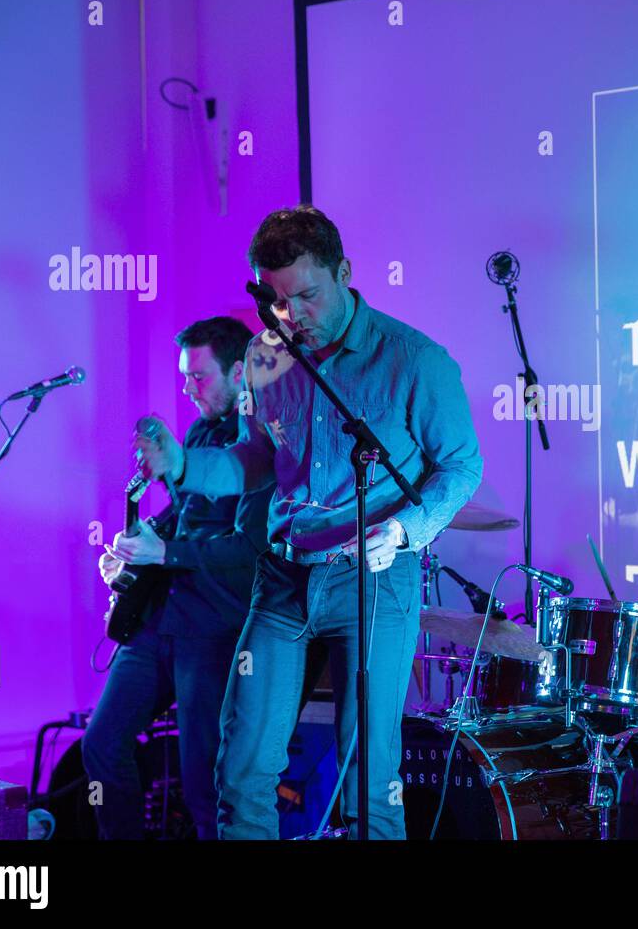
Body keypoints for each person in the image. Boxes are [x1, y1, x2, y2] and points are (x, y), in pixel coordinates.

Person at [136, 205, 483, 839]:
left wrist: (404, 530)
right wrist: (182, 464)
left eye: (307, 296)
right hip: (285, 580)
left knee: (370, 782)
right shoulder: (268, 355)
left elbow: (460, 467)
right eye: (278, 301)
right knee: (241, 773)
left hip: (375, 580)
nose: (294, 316)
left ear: (345, 272)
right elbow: (254, 462)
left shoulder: (414, 359)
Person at [84, 316, 272, 839]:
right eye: (185, 377)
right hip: (159, 620)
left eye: (199, 377)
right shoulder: (196, 432)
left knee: (203, 785)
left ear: (239, 372)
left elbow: (250, 549)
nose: (188, 389)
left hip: (214, 630)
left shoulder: (260, 439)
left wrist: (163, 550)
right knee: (101, 744)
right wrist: (134, 548)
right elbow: (183, 517)